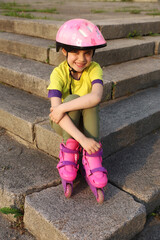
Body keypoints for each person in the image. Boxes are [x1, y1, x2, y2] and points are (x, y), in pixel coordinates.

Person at [48, 19, 108, 203]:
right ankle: (70, 151)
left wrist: (63, 107)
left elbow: (96, 97)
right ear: (64, 51)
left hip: (80, 117)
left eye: (87, 53)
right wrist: (82, 139)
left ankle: (92, 156)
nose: (81, 59)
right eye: (75, 52)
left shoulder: (94, 69)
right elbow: (55, 112)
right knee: (76, 99)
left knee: (88, 101)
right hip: (64, 123)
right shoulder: (58, 74)